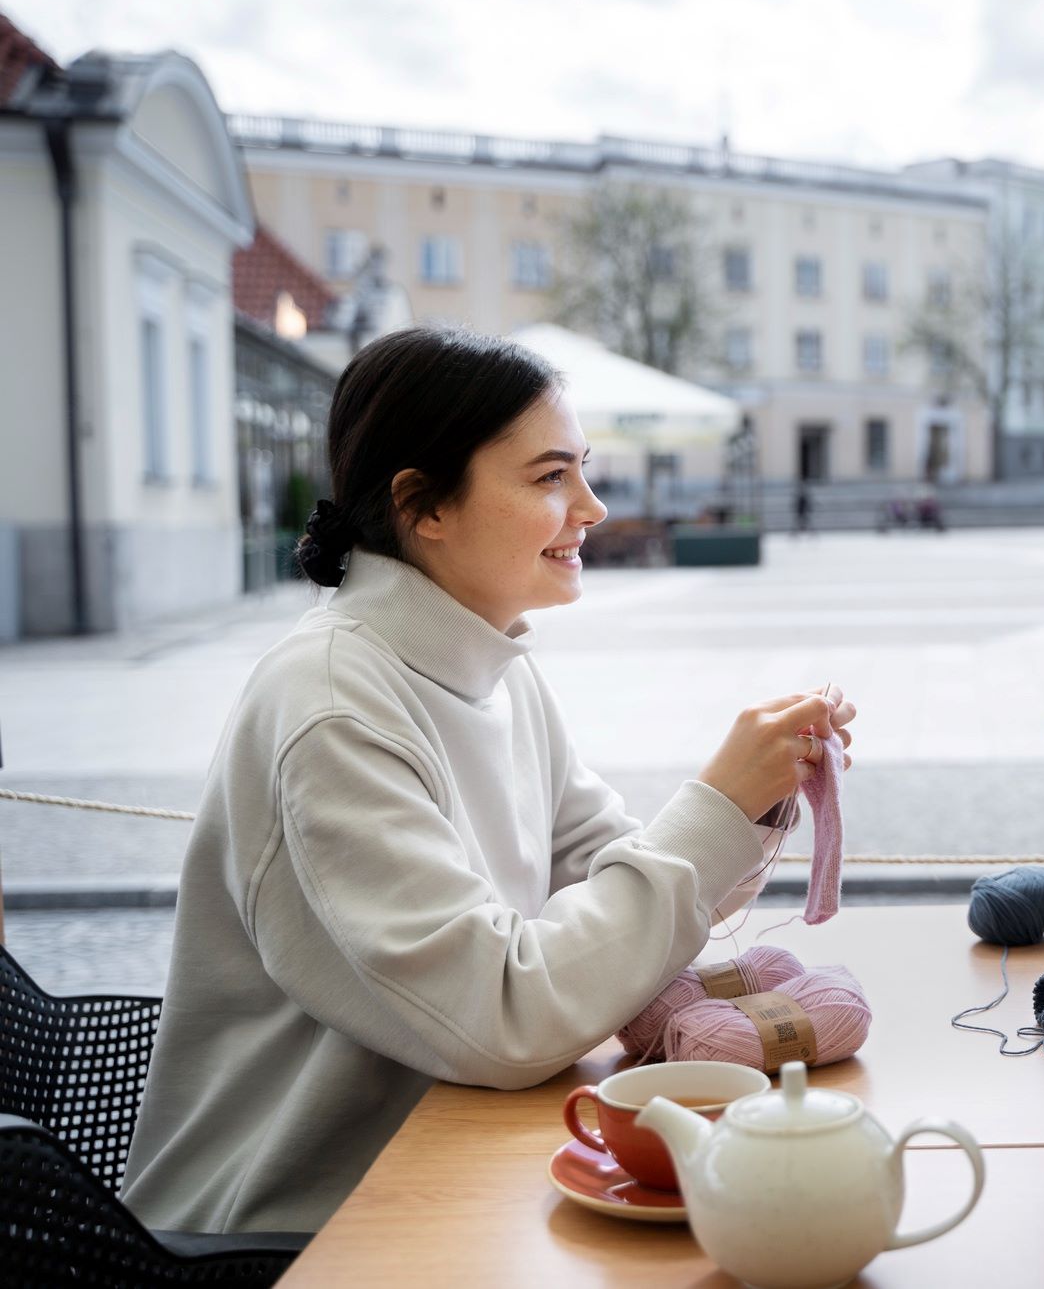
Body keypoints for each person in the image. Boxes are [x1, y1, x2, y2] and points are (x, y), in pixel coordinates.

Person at [122, 326, 856, 1234]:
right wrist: (711, 808)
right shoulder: (332, 708)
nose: (591, 505)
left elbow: (612, 887)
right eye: (551, 477)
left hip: (445, 1171)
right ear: (423, 506)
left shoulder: (491, 663)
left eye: (582, 470)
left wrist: (754, 796)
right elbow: (504, 1016)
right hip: (289, 1229)